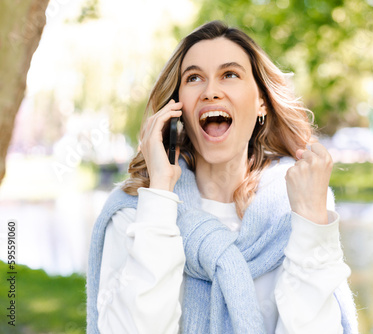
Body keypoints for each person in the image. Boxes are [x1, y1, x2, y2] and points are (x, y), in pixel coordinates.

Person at [86, 20, 358, 334]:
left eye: (229, 74)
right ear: (177, 109)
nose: (211, 91)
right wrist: (160, 191)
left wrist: (312, 222)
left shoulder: (296, 208)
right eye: (194, 78)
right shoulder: (134, 211)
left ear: (261, 103)